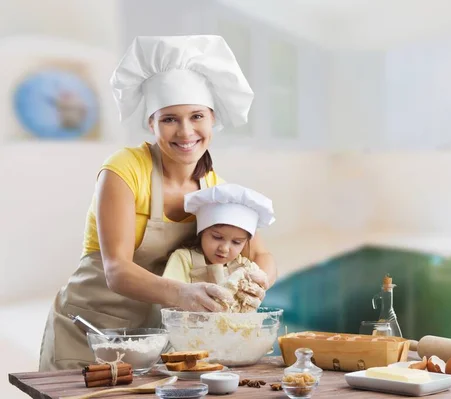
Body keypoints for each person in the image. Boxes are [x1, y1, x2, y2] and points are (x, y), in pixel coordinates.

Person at [38, 35, 277, 371]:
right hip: (90, 332)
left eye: (196, 116)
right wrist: (182, 295)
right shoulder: (123, 170)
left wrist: (259, 281)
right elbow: (117, 271)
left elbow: (262, 255)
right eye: (169, 119)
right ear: (151, 122)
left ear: (213, 119)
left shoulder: (215, 190)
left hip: (156, 343)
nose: (185, 131)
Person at [162, 183, 275, 312]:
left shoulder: (243, 266)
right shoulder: (183, 258)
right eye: (217, 237)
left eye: (237, 242)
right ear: (202, 232)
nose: (225, 248)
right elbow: (167, 300)